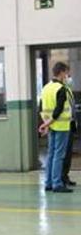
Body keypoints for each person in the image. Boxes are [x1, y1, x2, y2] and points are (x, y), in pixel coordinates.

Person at [39, 62, 75, 193]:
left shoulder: (46, 88)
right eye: (66, 72)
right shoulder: (61, 89)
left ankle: (48, 183)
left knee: (51, 154)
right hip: (61, 126)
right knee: (59, 155)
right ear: (61, 72)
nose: (67, 75)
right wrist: (47, 124)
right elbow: (58, 110)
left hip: (52, 127)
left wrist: (46, 124)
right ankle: (57, 184)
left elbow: (41, 109)